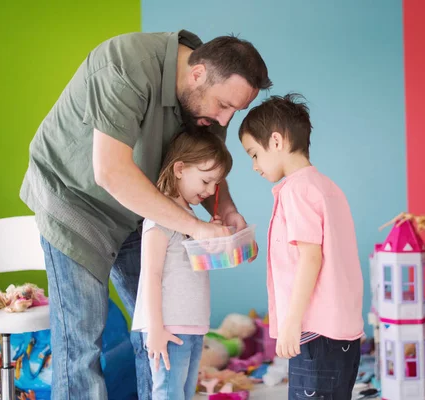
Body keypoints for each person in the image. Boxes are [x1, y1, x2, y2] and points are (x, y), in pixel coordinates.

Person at [19, 30, 271, 400]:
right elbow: (111, 172)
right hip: (74, 201)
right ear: (197, 73)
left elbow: (207, 166)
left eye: (234, 110)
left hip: (143, 205)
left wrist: (225, 210)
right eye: (223, 105)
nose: (224, 118)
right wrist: (195, 227)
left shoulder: (208, 98)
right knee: (82, 341)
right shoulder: (125, 66)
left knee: (158, 331)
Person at [238, 93, 364, 400]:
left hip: (314, 332)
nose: (254, 166)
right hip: (343, 333)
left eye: (254, 154)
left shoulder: (296, 190)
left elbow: (311, 257)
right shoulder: (327, 187)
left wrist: (291, 322)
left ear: (277, 141)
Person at [131, 130, 232, 399]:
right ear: (179, 169)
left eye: (216, 185)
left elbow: (191, 266)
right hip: (168, 328)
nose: (211, 191)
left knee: (184, 393)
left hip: (192, 325)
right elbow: (151, 275)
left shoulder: (191, 218)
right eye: (206, 181)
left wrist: (211, 238)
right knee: (168, 393)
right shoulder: (160, 216)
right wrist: (154, 329)